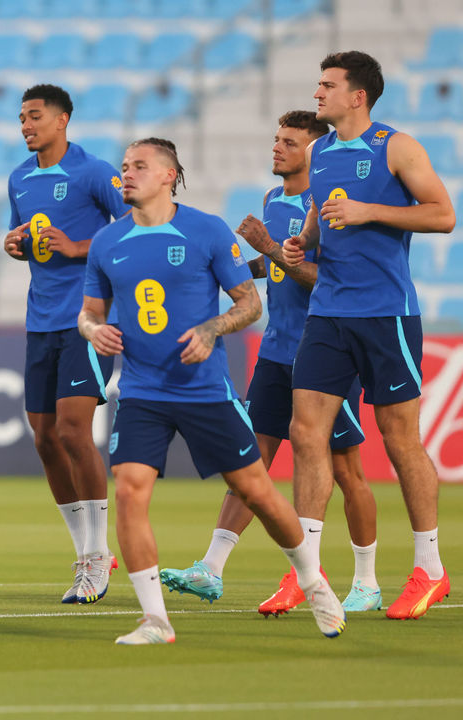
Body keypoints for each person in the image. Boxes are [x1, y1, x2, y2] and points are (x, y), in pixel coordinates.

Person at [79, 137, 346, 644]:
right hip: (141, 392)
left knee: (258, 493)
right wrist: (94, 331)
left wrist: (211, 330)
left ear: (167, 175)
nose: (126, 175)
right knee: (131, 492)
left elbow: (249, 304)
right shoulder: (107, 242)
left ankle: (313, 582)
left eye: (138, 166)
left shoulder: (205, 230)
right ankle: (155, 619)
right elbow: (88, 313)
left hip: (204, 392)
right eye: (123, 166)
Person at [160, 112, 382, 615]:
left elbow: (327, 278)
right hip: (276, 350)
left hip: (325, 353)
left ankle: (366, 579)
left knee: (348, 471)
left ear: (315, 152)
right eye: (277, 139)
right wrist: (235, 269)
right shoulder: (272, 199)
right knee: (249, 460)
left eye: (291, 142)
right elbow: (278, 269)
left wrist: (267, 251)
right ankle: (211, 569)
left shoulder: (324, 204)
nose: (278, 148)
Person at [282, 51, 455, 620]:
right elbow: (320, 215)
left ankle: (429, 568)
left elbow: (443, 215)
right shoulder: (318, 151)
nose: (318, 93)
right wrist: (302, 242)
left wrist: (369, 211)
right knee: (306, 433)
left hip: (386, 313)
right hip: (328, 312)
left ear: (358, 95)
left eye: (327, 85)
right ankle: (307, 570)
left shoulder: (395, 146)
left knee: (399, 439)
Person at [2, 84, 129, 604]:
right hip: (41, 322)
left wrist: (80, 246)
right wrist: (14, 243)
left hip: (89, 320)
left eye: (35, 116)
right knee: (45, 438)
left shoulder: (94, 172)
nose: (27, 125)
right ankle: (83, 554)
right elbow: (24, 237)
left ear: (63, 119)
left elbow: (139, 221)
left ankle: (100, 553)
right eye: (22, 118)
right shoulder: (20, 178)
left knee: (76, 430)